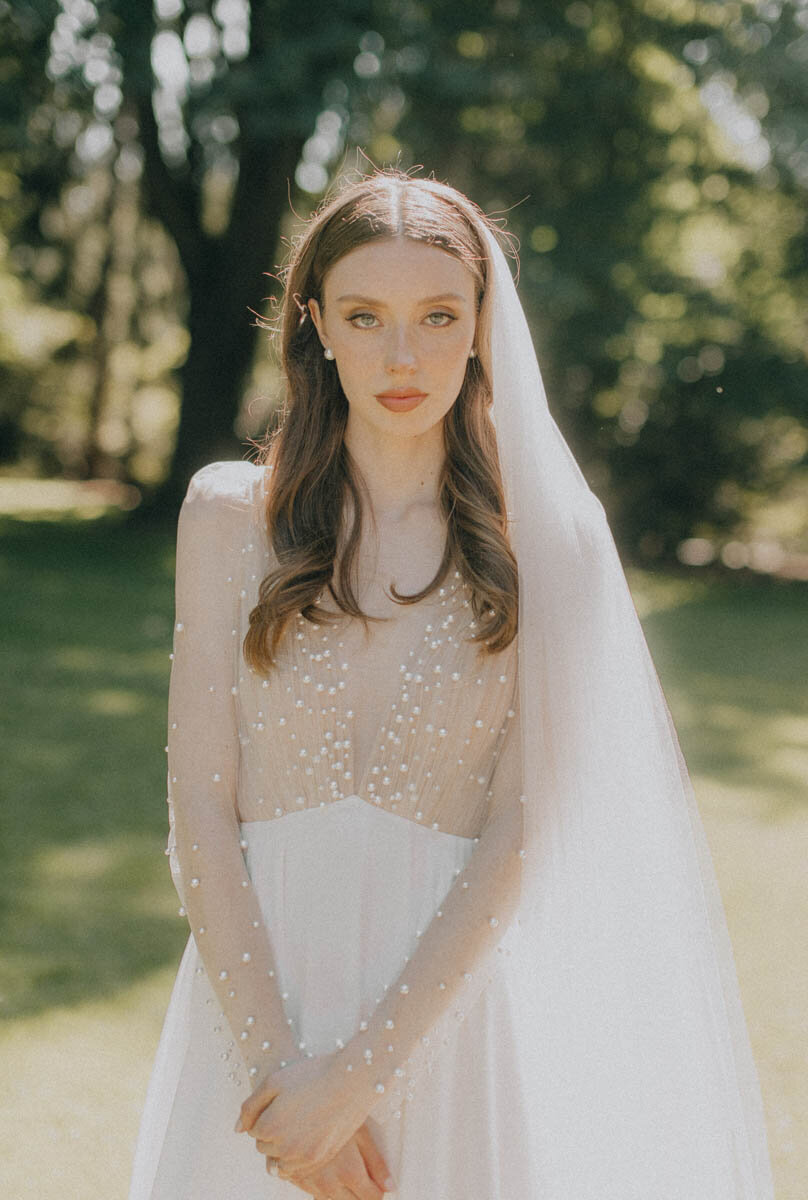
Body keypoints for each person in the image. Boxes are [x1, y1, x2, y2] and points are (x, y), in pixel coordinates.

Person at [128, 170, 775, 1200]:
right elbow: (200, 808)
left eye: (437, 315)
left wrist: (356, 1081)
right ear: (315, 328)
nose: (401, 355)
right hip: (254, 1027)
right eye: (364, 316)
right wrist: (282, 1073)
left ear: (481, 326)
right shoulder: (226, 517)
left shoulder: (546, 543)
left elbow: (523, 828)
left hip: (445, 1029)